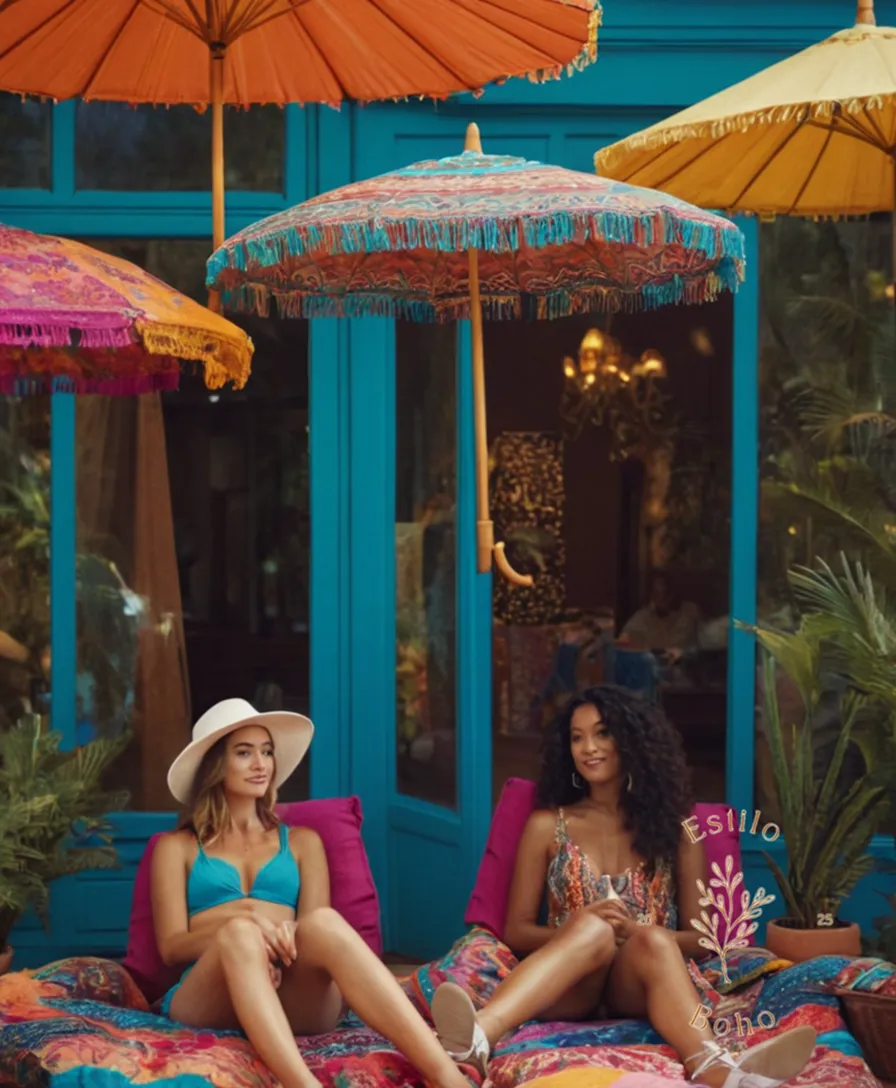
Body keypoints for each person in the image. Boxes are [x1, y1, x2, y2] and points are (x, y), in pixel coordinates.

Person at [430, 686, 816, 1088]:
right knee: (593, 928)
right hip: (570, 985)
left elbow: (703, 938)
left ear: (631, 741)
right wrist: (577, 926)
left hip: (637, 983)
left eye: (602, 733)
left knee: (653, 939)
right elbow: (516, 930)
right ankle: (478, 1035)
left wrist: (634, 931)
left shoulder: (678, 829)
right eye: (577, 738)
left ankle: (716, 1068)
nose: (588, 748)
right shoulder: (547, 825)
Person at [151, 698, 470, 1088]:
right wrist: (247, 923)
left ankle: (449, 1076)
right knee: (240, 934)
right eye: (244, 753)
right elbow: (172, 946)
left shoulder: (303, 842)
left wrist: (281, 938)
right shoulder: (177, 847)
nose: (261, 764)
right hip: (211, 996)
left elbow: (311, 932)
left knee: (323, 922)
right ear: (215, 766)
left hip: (289, 989)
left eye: (267, 752)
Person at [620, 572, 700, 654]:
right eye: (657, 593)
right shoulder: (640, 619)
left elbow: (705, 639)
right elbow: (622, 647)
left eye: (666, 592)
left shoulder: (690, 611)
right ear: (651, 595)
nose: (662, 597)